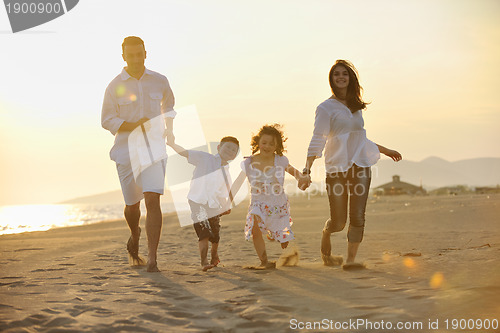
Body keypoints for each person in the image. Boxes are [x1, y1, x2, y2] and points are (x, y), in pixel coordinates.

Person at [302, 60, 402, 270]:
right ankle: (327, 232)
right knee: (339, 221)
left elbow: (359, 138)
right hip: (337, 168)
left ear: (350, 78)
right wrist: (307, 168)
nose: (341, 77)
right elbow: (318, 138)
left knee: (358, 215)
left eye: (344, 74)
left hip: (360, 165)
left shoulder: (357, 107)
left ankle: (350, 260)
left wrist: (386, 150)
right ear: (331, 79)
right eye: (336, 74)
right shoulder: (325, 108)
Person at [101, 36, 176, 272]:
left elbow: (170, 107)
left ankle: (152, 258)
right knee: (133, 207)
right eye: (130, 55)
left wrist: (169, 131)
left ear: (146, 53)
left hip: (154, 149)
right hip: (125, 152)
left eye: (139, 54)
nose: (135, 58)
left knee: (153, 200)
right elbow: (106, 120)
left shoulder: (160, 81)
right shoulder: (114, 86)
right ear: (123, 56)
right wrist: (134, 125)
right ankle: (135, 233)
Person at [231, 124, 310, 269]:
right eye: (264, 143)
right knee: (255, 229)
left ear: (277, 146)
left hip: (277, 203)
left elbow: (295, 173)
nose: (267, 146)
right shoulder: (249, 162)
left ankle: (280, 236)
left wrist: (303, 179)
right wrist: (229, 198)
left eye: (271, 144)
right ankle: (264, 261)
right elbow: (237, 182)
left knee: (282, 236)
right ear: (258, 143)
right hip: (258, 203)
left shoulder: (280, 160)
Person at [167, 136, 239, 271]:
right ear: (219, 147)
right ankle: (204, 261)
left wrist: (225, 205)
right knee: (204, 231)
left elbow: (223, 191)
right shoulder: (205, 158)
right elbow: (185, 153)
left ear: (235, 156)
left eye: (234, 150)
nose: (230, 151)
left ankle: (214, 254)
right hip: (197, 201)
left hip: (214, 205)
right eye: (227, 147)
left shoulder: (227, 172)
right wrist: (172, 144)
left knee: (216, 234)